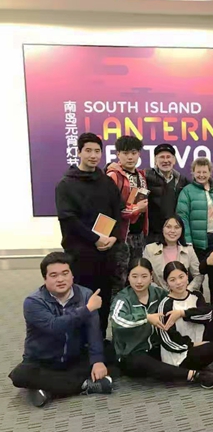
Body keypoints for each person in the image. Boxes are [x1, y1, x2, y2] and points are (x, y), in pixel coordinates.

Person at [9, 252, 112, 407]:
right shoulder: (33, 302)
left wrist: (97, 361)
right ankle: (84, 385)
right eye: (54, 275)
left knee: (110, 352)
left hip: (73, 358)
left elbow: (93, 330)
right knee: (20, 375)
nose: (60, 279)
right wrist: (87, 309)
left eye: (65, 273)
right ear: (45, 278)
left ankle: (48, 390)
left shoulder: (86, 295)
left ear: (72, 275)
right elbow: (55, 326)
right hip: (44, 361)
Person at [110, 258, 213, 388]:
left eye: (144, 276)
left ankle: (186, 369)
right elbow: (117, 320)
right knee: (144, 362)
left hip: (156, 348)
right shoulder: (123, 298)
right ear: (128, 277)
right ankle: (192, 375)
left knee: (170, 356)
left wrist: (183, 312)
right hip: (131, 353)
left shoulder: (158, 293)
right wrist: (146, 318)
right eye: (134, 276)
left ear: (151, 276)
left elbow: (176, 300)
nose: (139, 281)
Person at [55, 132, 122, 336]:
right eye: (88, 151)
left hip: (106, 253)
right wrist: (96, 239)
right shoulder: (66, 184)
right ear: (79, 152)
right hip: (81, 254)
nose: (93, 155)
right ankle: (81, 345)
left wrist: (113, 237)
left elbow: (117, 212)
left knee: (104, 298)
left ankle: (100, 339)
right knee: (81, 300)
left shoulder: (106, 182)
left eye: (97, 151)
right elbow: (69, 219)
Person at [106, 136, 149, 288]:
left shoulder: (141, 175)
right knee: (119, 279)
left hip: (139, 235)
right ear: (118, 154)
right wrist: (136, 210)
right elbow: (110, 208)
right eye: (125, 153)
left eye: (134, 153)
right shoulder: (113, 176)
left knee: (136, 277)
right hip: (121, 236)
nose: (130, 157)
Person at [176, 157, 213, 265]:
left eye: (204, 172)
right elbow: (183, 217)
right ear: (193, 173)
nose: (201, 175)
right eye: (198, 172)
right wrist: (188, 241)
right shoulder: (187, 191)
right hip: (196, 243)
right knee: (198, 272)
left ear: (210, 172)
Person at [142, 216, 202, 291]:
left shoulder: (188, 249)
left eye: (177, 227)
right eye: (168, 227)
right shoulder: (150, 249)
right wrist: (160, 292)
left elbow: (198, 275)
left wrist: (188, 290)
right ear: (162, 228)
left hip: (183, 294)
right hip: (158, 295)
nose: (172, 231)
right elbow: (145, 276)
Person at [145, 143, 189, 243]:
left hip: (174, 234)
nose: (165, 160)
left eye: (168, 157)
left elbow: (200, 183)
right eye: (162, 157)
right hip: (152, 235)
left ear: (174, 160)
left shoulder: (182, 181)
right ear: (155, 160)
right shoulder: (145, 177)